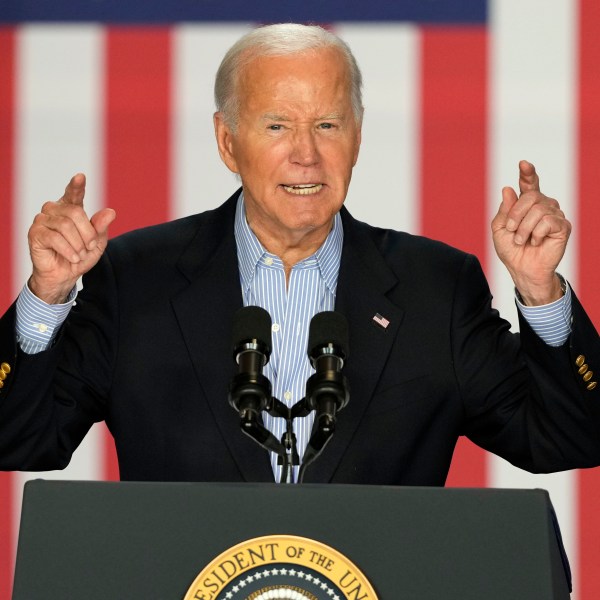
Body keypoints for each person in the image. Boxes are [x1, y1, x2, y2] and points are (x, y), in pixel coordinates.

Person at [0, 23, 598, 485]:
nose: (306, 155)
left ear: (358, 137)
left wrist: (540, 293)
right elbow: (18, 440)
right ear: (227, 141)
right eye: (277, 126)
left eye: (329, 125)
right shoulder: (136, 279)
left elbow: (571, 439)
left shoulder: (435, 288)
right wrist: (46, 298)